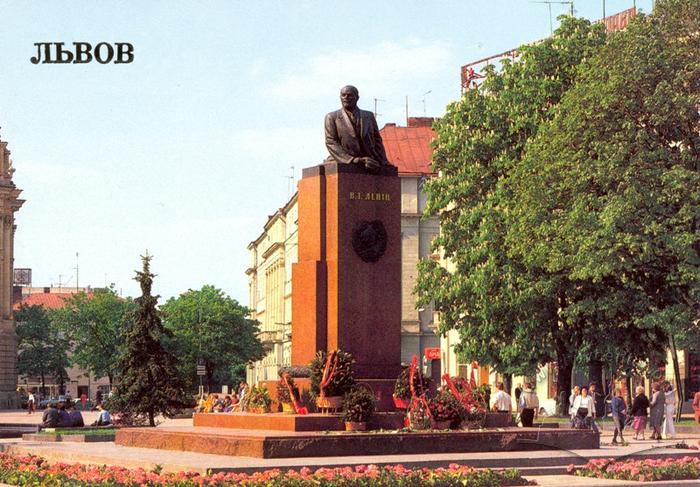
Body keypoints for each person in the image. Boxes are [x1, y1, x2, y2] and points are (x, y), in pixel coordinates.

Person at [324, 85, 389, 172]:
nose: (346, 98)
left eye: (350, 95)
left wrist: (382, 161)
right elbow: (331, 142)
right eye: (343, 95)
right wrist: (351, 160)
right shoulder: (332, 117)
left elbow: (377, 140)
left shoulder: (368, 116)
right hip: (343, 159)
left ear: (357, 97)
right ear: (340, 97)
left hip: (368, 161)